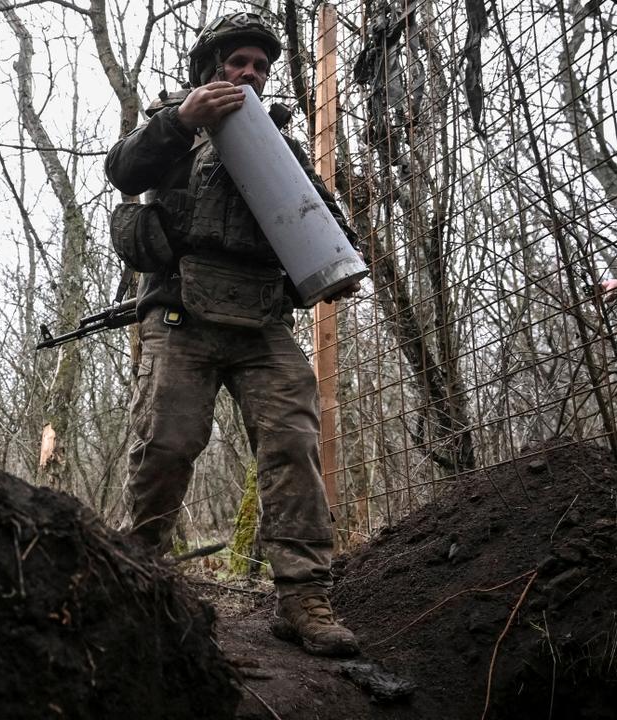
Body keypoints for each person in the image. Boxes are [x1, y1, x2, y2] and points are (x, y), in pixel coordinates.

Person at [104, 11, 362, 658]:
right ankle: (141, 578)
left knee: (293, 444)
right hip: (181, 314)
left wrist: (342, 263)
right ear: (208, 67)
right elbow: (124, 171)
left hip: (261, 321)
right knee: (166, 443)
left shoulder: (279, 146)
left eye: (260, 67)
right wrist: (180, 119)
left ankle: (303, 597)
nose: (248, 74)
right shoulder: (171, 127)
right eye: (237, 62)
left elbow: (320, 215)